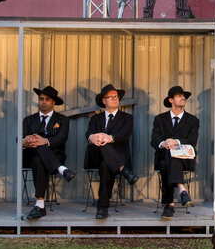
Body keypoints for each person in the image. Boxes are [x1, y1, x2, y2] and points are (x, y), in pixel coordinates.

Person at [84, 84, 139, 219]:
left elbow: (124, 134)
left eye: (116, 97)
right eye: (111, 97)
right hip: (96, 156)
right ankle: (123, 170)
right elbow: (89, 133)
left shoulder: (127, 118)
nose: (115, 99)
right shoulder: (95, 118)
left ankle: (102, 207)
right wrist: (92, 138)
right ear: (104, 101)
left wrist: (110, 138)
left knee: (105, 165)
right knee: (101, 144)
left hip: (117, 156)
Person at [21, 86, 74, 220]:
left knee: (39, 157)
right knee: (36, 150)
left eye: (47, 99)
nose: (43, 102)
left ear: (53, 102)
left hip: (55, 155)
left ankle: (40, 205)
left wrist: (44, 141)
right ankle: (62, 169)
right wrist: (25, 141)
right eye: (41, 99)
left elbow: (61, 138)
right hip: (30, 156)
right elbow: (19, 138)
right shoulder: (28, 120)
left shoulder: (62, 120)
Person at [151, 85, 199, 219]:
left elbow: (192, 140)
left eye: (184, 96)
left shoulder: (192, 120)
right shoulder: (159, 119)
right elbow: (154, 140)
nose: (183, 98)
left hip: (185, 159)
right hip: (165, 159)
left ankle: (169, 205)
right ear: (171, 100)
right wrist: (164, 143)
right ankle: (182, 189)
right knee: (168, 154)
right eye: (179, 96)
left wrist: (176, 141)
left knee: (169, 158)